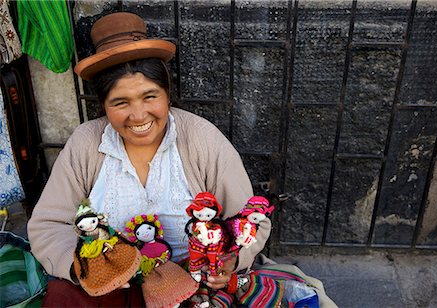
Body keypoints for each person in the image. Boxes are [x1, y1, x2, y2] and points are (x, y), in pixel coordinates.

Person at [27, 12, 337, 307]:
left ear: (167, 93)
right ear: (104, 105)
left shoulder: (201, 138)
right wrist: (85, 271)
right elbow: (48, 225)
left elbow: (250, 219)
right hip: (106, 290)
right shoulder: (86, 143)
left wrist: (229, 261)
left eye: (150, 97)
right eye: (120, 102)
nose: (138, 116)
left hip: (195, 284)